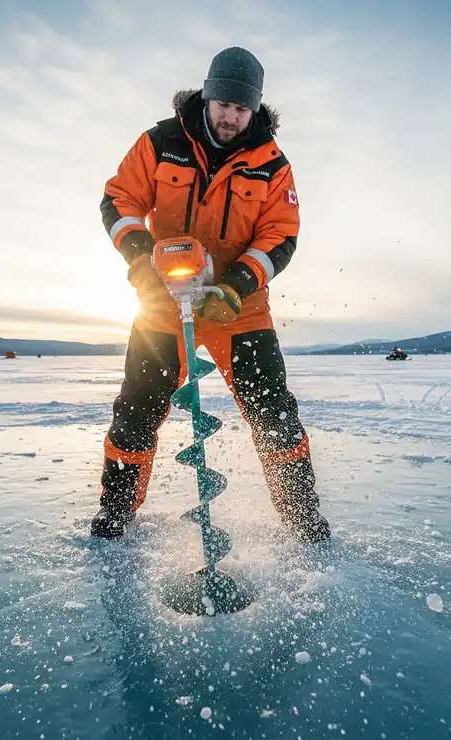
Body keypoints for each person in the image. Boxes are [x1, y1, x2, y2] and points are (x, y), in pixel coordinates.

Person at [91, 46, 330, 543]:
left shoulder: (272, 165)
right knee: (136, 411)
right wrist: (141, 260)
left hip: (238, 310)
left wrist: (237, 284)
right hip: (162, 304)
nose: (231, 117)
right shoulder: (161, 141)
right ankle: (115, 516)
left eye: (242, 109)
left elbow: (279, 236)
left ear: (256, 109)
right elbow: (119, 199)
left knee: (274, 413)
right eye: (224, 104)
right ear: (208, 93)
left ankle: (303, 520)